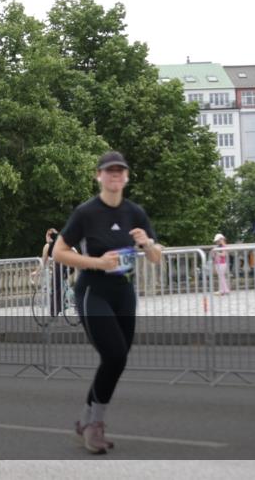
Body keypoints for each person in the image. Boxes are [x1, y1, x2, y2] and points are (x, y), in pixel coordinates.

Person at [53, 151, 162, 454]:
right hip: (93, 291)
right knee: (114, 356)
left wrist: (147, 243)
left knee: (117, 359)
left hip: (124, 292)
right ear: (98, 176)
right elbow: (59, 252)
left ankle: (87, 420)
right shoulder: (86, 213)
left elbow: (156, 258)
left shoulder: (135, 213)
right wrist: (96, 263)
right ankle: (93, 426)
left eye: (120, 172)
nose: (115, 176)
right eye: (109, 172)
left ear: (126, 177)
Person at [41, 228, 66, 317]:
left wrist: (36, 272)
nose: (46, 237)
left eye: (47, 235)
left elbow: (43, 262)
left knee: (55, 289)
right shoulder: (59, 242)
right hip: (65, 265)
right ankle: (60, 307)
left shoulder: (49, 245)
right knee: (59, 288)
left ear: (49, 236)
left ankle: (54, 312)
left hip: (59, 267)